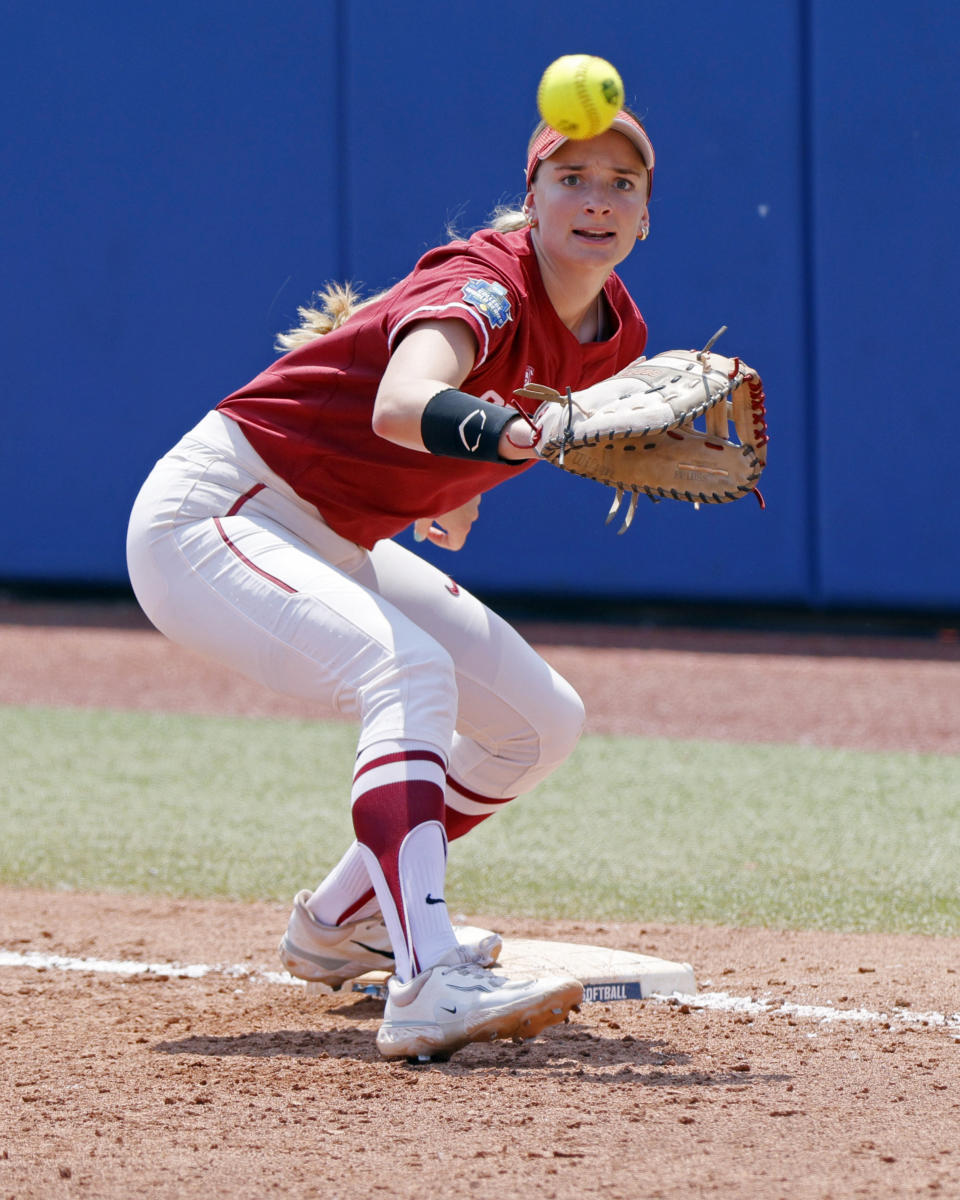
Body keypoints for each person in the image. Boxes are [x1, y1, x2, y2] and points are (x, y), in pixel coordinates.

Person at [126, 108, 655, 1062]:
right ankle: (428, 980)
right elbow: (404, 403)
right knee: (410, 673)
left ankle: (342, 922)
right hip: (220, 512)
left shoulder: (614, 339)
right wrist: (503, 439)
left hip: (331, 532)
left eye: (623, 184)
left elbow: (461, 436)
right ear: (530, 199)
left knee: (542, 720)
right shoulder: (486, 286)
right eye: (573, 177)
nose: (598, 200)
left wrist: (459, 496)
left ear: (647, 218)